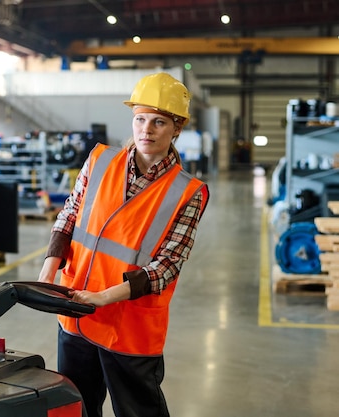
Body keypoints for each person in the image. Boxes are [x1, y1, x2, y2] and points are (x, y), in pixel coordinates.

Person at [38, 72, 210, 417]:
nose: (146, 129)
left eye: (159, 122)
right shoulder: (100, 160)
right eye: (140, 119)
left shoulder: (188, 191)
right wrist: (47, 273)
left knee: (137, 410)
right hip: (76, 311)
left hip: (129, 324)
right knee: (76, 407)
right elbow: (69, 216)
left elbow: (167, 265)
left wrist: (104, 297)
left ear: (177, 128)